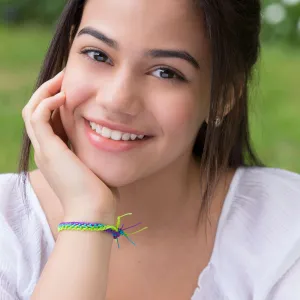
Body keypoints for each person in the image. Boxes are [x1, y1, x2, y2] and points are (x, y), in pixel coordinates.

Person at [0, 0, 299, 299]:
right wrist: (88, 213)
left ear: (221, 96)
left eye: (166, 73)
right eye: (97, 54)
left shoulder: (284, 231)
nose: (116, 100)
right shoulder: (8, 230)